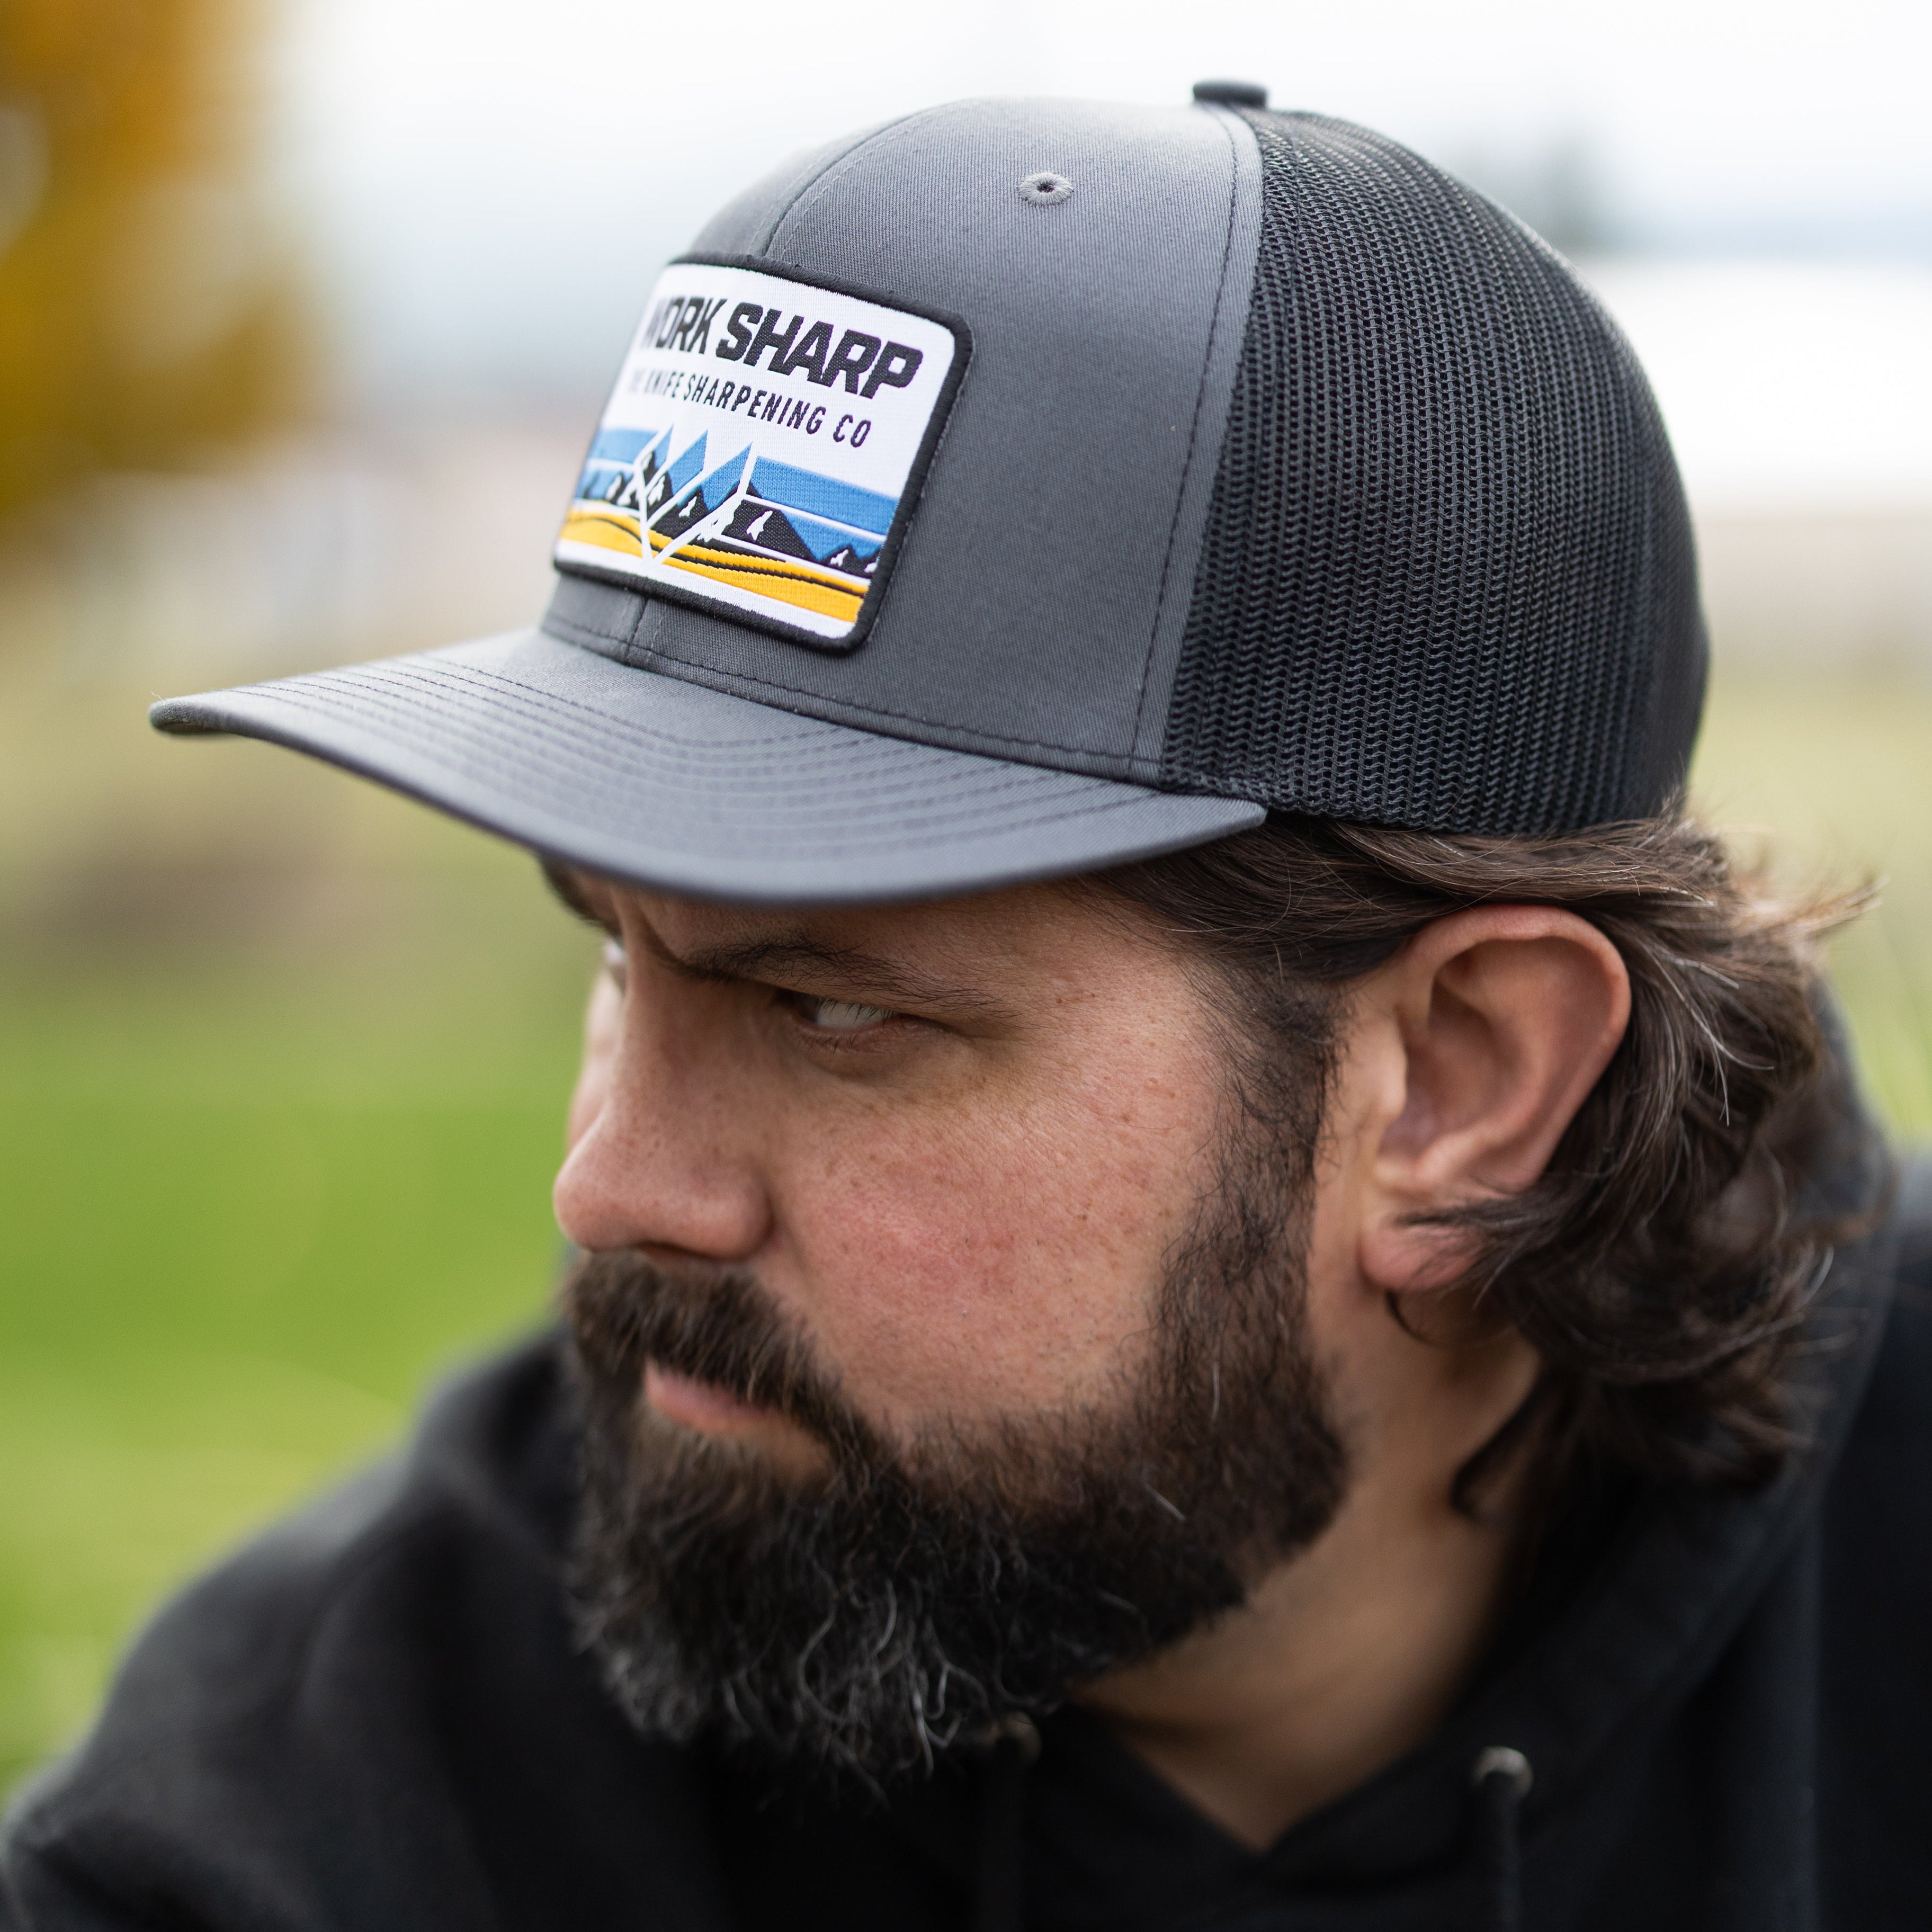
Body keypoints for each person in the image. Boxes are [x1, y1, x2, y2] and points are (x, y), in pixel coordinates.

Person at [4, 85, 1927, 1932]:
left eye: (833, 1016)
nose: (612, 1189)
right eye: (614, 952)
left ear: (1462, 1081)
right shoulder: (301, 1826)